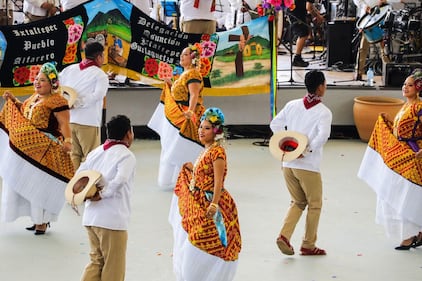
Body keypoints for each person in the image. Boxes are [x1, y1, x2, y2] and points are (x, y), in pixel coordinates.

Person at [0, 62, 74, 235]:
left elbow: (64, 123)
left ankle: (43, 221)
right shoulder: (34, 97)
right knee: (30, 182)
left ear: (52, 83)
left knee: (41, 184)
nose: (37, 83)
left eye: (42, 80)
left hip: (46, 150)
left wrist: (68, 141)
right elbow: (25, 112)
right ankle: (36, 219)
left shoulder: (58, 101)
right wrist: (14, 101)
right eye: (36, 79)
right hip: (28, 150)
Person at [168, 107, 241, 281]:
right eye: (200, 127)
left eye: (206, 128)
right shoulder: (206, 150)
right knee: (195, 238)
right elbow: (203, 174)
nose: (201, 131)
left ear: (216, 131)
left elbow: (218, 181)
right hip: (200, 199)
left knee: (208, 238)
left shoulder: (217, 153)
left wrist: (214, 204)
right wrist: (191, 169)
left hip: (212, 201)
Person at [358, 69, 422, 250]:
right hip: (402, 154)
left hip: (413, 156)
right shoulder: (405, 105)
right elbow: (401, 130)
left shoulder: (419, 107)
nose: (405, 87)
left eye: (409, 85)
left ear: (418, 88)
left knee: (407, 195)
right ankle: (416, 233)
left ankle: (409, 236)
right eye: (404, 84)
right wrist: (389, 121)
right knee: (400, 192)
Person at [270, 70, 332, 255]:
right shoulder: (323, 112)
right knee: (314, 204)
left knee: (297, 201)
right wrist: (306, 150)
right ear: (321, 87)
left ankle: (284, 235)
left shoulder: (292, 105)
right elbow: (323, 136)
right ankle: (308, 244)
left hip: (288, 164)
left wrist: (289, 145)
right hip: (308, 166)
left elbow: (275, 124)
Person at [75, 114, 136, 281]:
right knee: (113, 266)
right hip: (112, 220)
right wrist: (101, 194)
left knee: (96, 261)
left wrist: (88, 194)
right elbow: (121, 180)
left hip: (91, 218)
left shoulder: (96, 152)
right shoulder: (126, 155)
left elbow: (79, 175)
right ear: (128, 133)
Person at [148, 44, 206, 190]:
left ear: (192, 59)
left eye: (185, 54)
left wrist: (191, 112)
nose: (181, 56)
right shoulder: (183, 74)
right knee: (170, 145)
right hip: (177, 114)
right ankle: (172, 180)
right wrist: (170, 83)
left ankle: (180, 180)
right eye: (181, 54)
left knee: (178, 146)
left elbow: (194, 95)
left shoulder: (193, 74)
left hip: (185, 115)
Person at [60, 41, 109, 170]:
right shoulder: (100, 75)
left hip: (69, 120)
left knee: (74, 155)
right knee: (91, 157)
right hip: (89, 121)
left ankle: (71, 186)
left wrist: (68, 103)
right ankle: (88, 188)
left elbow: (59, 88)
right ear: (99, 57)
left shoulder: (69, 69)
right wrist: (77, 102)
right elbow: (98, 95)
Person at [287, 0, 324, 67]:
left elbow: (309, 5)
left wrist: (316, 12)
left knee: (304, 32)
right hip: (296, 13)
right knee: (303, 34)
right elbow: (309, 7)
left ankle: (298, 57)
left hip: (295, 10)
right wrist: (318, 16)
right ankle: (297, 58)